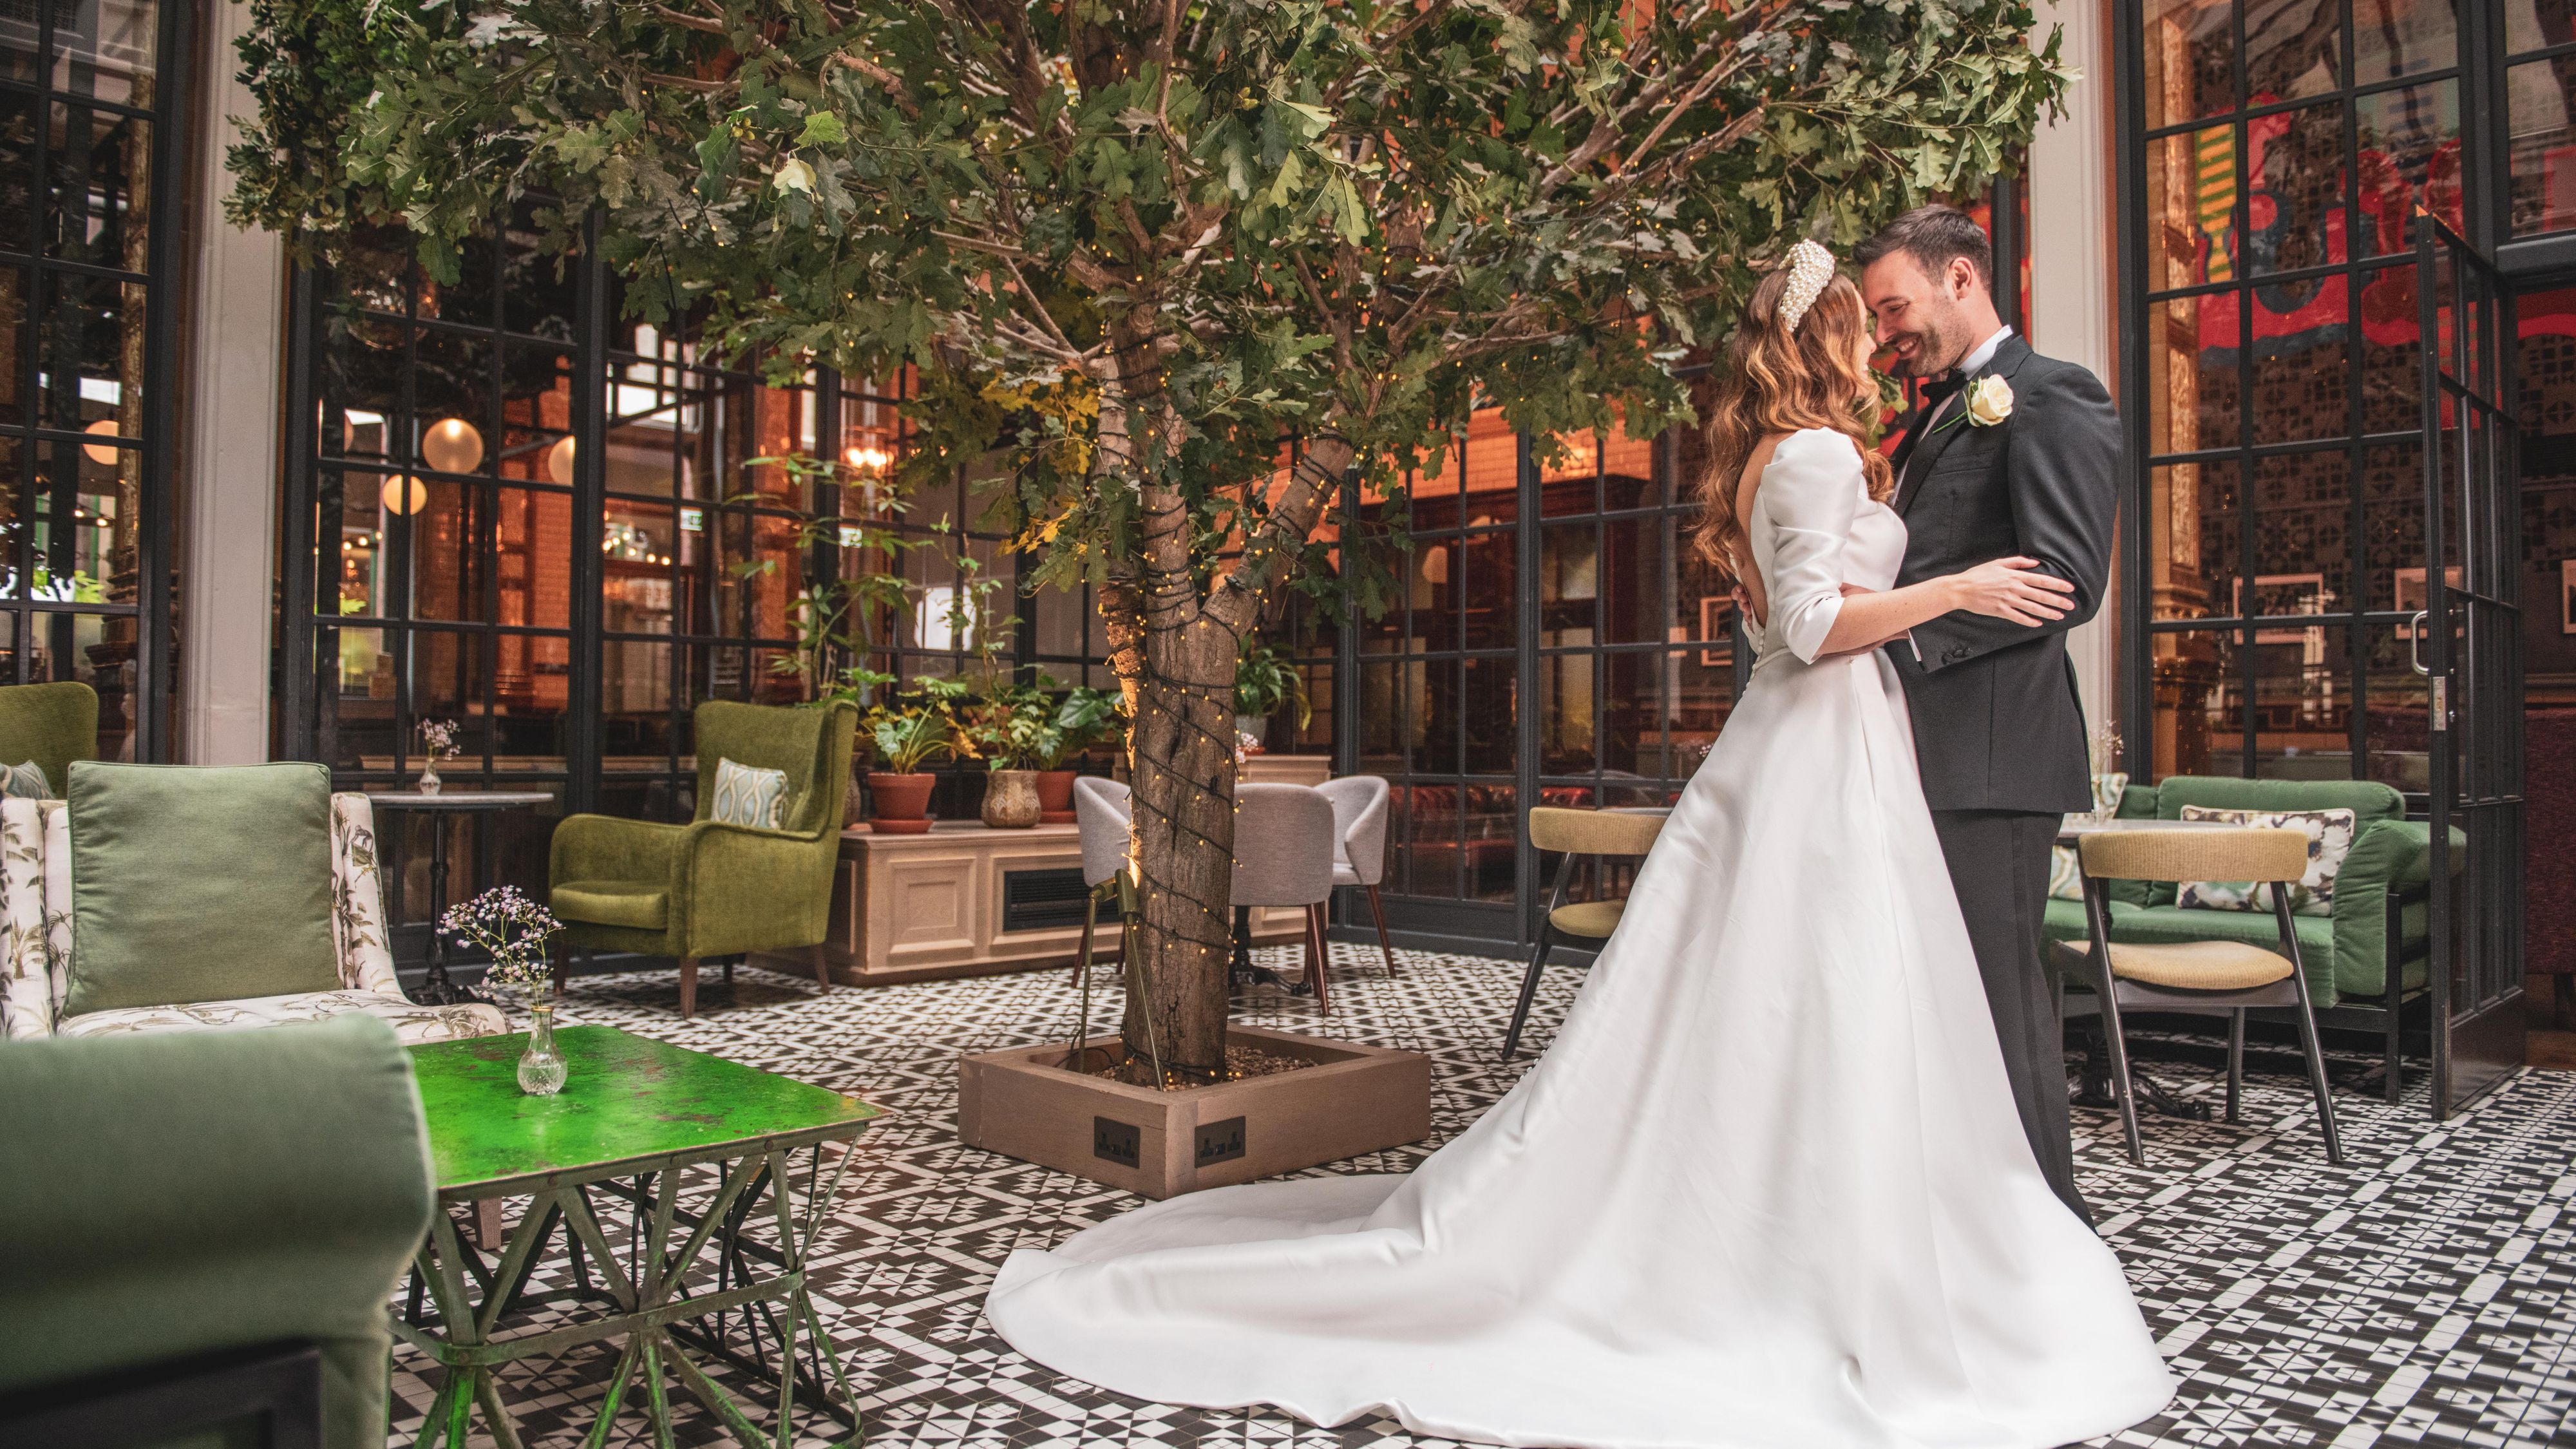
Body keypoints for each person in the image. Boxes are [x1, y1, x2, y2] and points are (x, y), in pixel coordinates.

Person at [982, 240, 2175, 1449]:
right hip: (1824, 746)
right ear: (1825, 337)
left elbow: (1937, 590)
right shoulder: (1816, 453)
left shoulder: (1811, 447)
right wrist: (1953, 592)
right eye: (1864, 320)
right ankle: (1827, 1252)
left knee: (1801, 1005)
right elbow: (1815, 623)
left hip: (1836, 749)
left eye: (1891, 309)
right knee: (1825, 996)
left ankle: (1818, 1228)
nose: (1880, 333)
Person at [1857, 204, 2121, 1224]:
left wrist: (1910, 642)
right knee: (1937, 1004)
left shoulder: (2056, 397)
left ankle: (2050, 1233)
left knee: (2004, 1006)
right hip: (1919, 753)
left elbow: (2066, 579)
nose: (1887, 336)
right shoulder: (1936, 412)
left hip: (1995, 758)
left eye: (1896, 308)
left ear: (1960, 277)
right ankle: (1957, 1221)